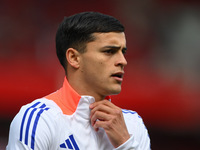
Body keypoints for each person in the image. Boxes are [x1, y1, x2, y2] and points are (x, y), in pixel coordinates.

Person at [7, 12, 151, 150]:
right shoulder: (38, 119)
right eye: (109, 51)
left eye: (122, 52)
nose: (123, 61)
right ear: (74, 58)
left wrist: (126, 144)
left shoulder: (133, 124)